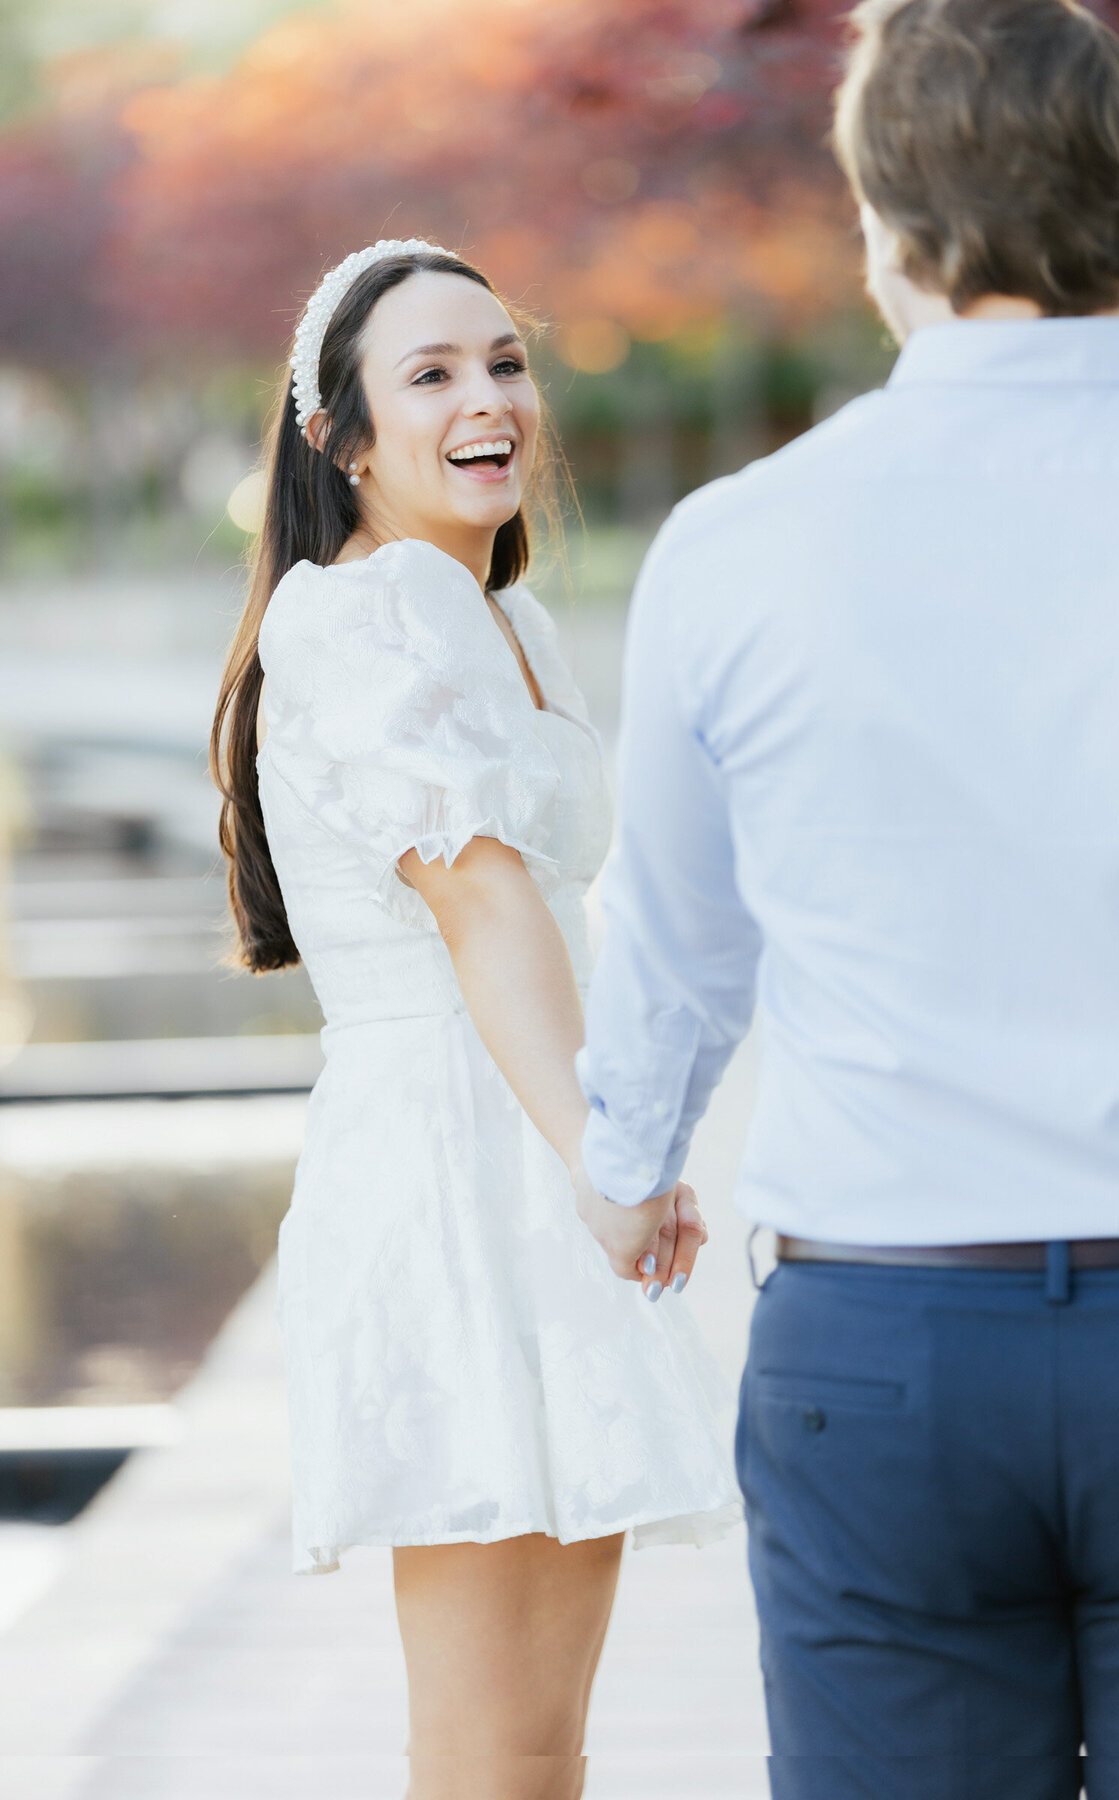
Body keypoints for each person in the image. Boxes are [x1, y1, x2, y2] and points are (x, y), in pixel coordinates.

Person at [573, 2, 1119, 1795]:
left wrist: (629, 1172)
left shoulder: (743, 541)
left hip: (890, 1341)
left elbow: (677, 942)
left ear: (880, 215)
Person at [210, 239, 739, 1800]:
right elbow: (482, 899)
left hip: (527, 1133)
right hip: (450, 1164)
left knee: (539, 1745)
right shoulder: (360, 616)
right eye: (430, 374)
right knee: (483, 1747)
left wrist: (603, 1142)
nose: (488, 398)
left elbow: (556, 911)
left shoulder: (504, 622)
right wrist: (603, 1154)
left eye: (504, 361)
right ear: (342, 437)